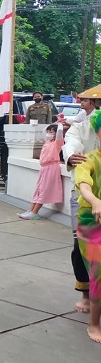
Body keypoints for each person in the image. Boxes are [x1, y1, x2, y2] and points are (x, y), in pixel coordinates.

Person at [63, 85, 101, 314]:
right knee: (82, 244)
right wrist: (72, 156)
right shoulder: (79, 130)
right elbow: (71, 148)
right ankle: (86, 295)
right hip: (85, 197)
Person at [72, 110, 101, 343]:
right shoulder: (88, 159)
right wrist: (94, 201)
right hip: (91, 221)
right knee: (98, 270)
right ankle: (93, 323)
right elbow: (84, 184)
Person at [19, 123, 65, 220]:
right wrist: (54, 124)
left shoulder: (58, 143)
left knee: (44, 190)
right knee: (39, 190)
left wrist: (60, 124)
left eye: (51, 132)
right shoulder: (47, 141)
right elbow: (43, 131)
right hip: (44, 168)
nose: (48, 133)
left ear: (56, 134)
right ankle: (31, 210)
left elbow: (60, 132)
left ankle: (35, 212)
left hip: (51, 168)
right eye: (48, 132)